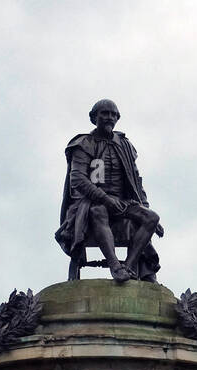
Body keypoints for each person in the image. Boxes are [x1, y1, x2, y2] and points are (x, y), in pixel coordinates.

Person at [55, 99, 163, 283]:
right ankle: (115, 265)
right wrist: (105, 198)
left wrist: (144, 207)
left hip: (123, 203)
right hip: (90, 203)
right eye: (104, 113)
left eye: (113, 114)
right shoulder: (83, 144)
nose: (109, 117)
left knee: (152, 217)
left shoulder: (125, 145)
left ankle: (128, 267)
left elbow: (136, 183)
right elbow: (78, 179)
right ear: (94, 117)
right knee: (99, 211)